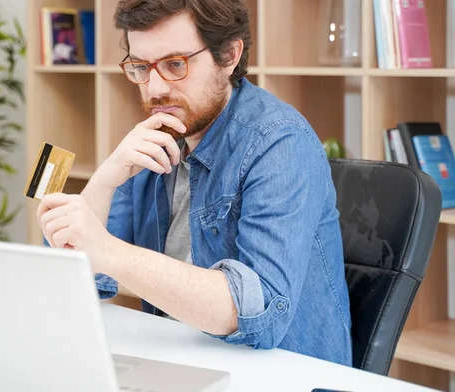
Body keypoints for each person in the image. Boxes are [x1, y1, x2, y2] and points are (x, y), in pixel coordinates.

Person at [37, 0, 352, 367]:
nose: (154, 89)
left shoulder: (280, 143)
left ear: (229, 55)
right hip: (181, 363)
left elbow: (256, 314)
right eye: (141, 67)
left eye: (174, 65)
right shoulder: (158, 136)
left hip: (280, 376)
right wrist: (107, 177)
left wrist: (107, 250)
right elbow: (79, 277)